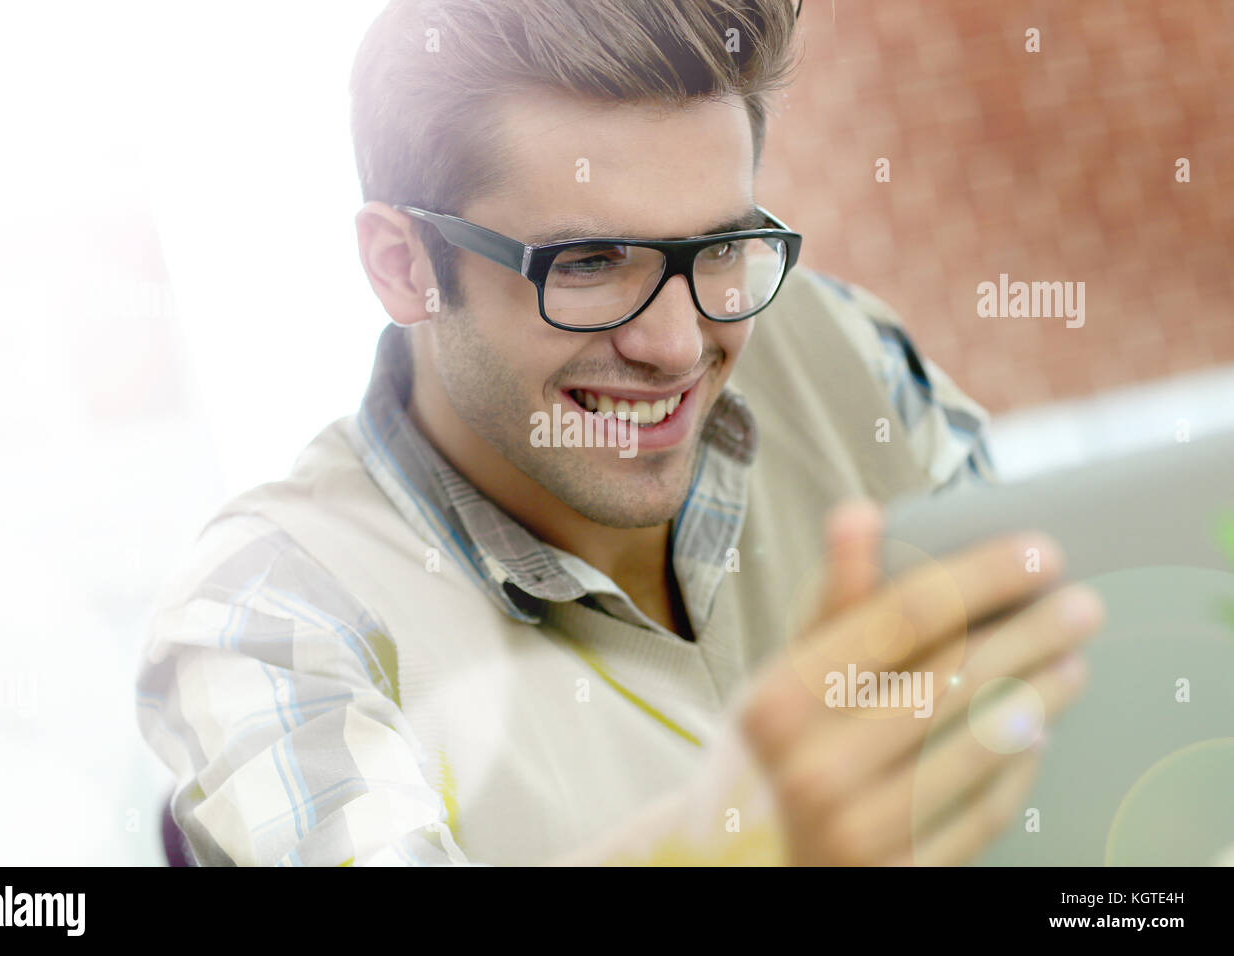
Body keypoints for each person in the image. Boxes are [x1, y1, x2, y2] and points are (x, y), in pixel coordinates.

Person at [135, 0, 1103, 866]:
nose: (678, 345)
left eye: (718, 247)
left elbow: (1080, 725)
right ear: (404, 264)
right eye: (590, 262)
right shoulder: (271, 612)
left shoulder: (832, 345)